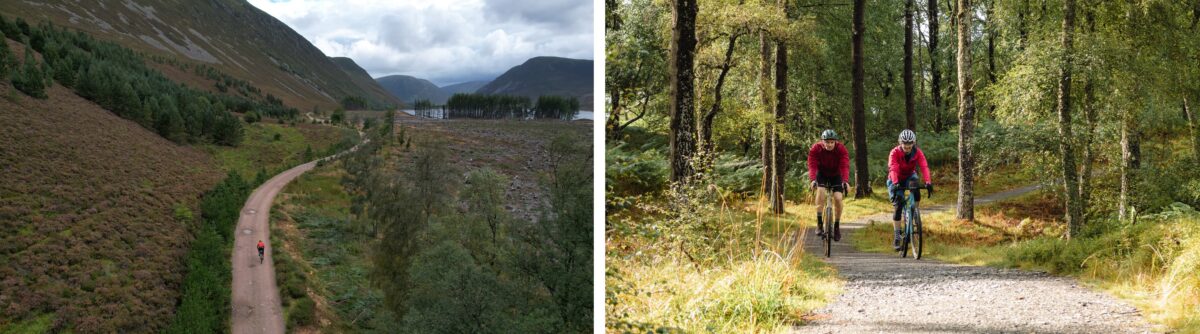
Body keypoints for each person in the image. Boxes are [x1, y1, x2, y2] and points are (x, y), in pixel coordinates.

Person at [887, 129, 933, 251]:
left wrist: (928, 182)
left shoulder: (917, 152)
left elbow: (924, 166)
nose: (907, 147)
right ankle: (897, 236)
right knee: (898, 205)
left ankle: (914, 213)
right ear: (900, 143)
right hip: (895, 178)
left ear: (913, 143)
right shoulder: (894, 153)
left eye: (910, 144)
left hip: (909, 176)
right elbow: (893, 168)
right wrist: (896, 183)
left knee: (916, 188)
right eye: (905, 144)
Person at [808, 129, 851, 241]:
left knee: (837, 198)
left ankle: (836, 226)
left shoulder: (841, 149)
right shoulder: (815, 149)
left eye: (832, 142)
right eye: (827, 142)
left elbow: (845, 166)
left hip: (836, 174)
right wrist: (813, 180)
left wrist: (845, 181)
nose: (829, 144)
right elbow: (812, 166)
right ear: (822, 141)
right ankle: (819, 223)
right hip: (821, 174)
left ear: (835, 142)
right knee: (821, 191)